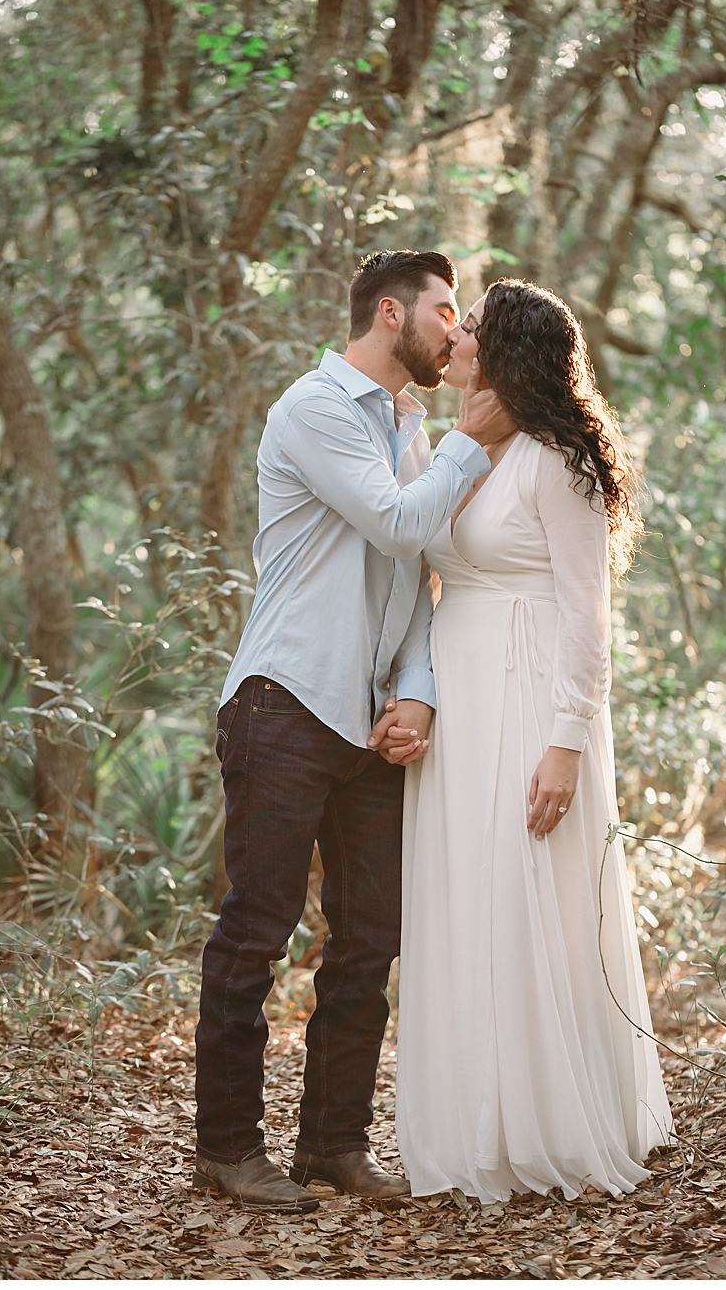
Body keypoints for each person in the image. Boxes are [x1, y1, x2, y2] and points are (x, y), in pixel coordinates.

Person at [194, 251, 509, 1210]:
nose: (458, 331)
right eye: (445, 311)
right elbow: (396, 523)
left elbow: (418, 584)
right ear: (389, 311)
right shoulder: (314, 409)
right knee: (258, 930)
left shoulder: (411, 425)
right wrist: (472, 438)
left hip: (368, 722)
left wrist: (416, 692)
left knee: (368, 941)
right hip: (286, 702)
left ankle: (332, 1145)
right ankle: (226, 1149)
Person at [395, 279, 673, 1201]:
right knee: (464, 896)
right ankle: (477, 1120)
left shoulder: (559, 461)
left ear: (504, 350)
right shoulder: (456, 448)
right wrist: (417, 695)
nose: (455, 336)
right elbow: (428, 585)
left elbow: (589, 622)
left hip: (535, 701)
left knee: (526, 900)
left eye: (469, 326)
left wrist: (566, 742)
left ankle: (551, 1118)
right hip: (459, 700)